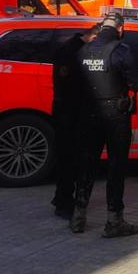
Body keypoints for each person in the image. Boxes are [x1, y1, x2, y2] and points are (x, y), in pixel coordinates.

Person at [71, 14, 138, 237]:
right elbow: (137, 83)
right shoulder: (120, 50)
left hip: (89, 112)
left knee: (87, 163)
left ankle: (78, 216)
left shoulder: (84, 50)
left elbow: (76, 82)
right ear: (120, 29)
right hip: (116, 114)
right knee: (116, 166)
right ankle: (114, 220)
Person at [50, 22, 99, 218]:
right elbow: (72, 85)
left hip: (66, 110)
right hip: (70, 112)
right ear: (93, 37)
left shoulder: (71, 47)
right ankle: (64, 203)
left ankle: (61, 197)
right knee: (71, 158)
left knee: (67, 157)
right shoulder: (74, 52)